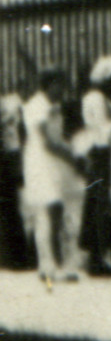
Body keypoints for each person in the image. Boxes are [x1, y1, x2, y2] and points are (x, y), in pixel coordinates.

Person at [22, 65, 85, 282]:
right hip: (41, 162)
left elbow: (57, 136)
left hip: (54, 163)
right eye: (61, 84)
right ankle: (48, 265)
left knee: (57, 211)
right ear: (51, 84)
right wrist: (72, 156)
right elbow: (47, 142)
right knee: (46, 212)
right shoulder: (36, 105)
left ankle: (58, 264)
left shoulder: (53, 105)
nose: (63, 89)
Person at [79, 57, 111, 274]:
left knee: (102, 203)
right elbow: (103, 129)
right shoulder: (95, 98)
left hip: (103, 153)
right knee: (100, 204)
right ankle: (97, 257)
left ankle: (104, 256)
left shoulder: (104, 98)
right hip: (101, 153)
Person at [0, 81, 32, 270]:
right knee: (9, 206)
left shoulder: (11, 103)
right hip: (9, 156)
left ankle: (15, 257)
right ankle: (14, 257)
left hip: (8, 157)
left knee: (10, 206)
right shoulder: (11, 104)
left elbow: (21, 132)